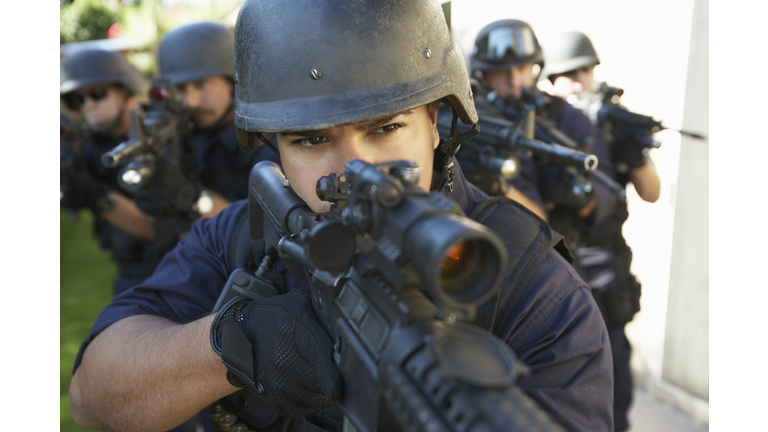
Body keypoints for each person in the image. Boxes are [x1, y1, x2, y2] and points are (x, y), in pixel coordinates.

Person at [69, 2, 614, 432]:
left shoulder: (533, 289)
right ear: (273, 147)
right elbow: (93, 396)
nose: (354, 169)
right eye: (310, 139)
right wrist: (236, 345)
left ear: (435, 120)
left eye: (385, 128)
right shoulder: (243, 237)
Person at [541, 30, 661, 432]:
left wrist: (630, 150)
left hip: (607, 272)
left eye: (585, 71)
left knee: (615, 393)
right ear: (551, 81)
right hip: (555, 272)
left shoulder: (610, 120)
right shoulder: (540, 124)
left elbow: (652, 192)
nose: (579, 80)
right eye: (569, 74)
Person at [131, 22, 280, 254]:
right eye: (180, 89)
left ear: (234, 80)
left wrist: (192, 199)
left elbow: (269, 234)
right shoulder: (190, 134)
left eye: (202, 85)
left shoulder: (269, 140)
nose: (191, 102)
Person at [60, 49, 161, 295]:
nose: (88, 104)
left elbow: (158, 229)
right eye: (78, 99)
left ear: (125, 90)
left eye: (97, 93)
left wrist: (96, 197)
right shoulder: (91, 143)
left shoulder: (158, 136)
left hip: (172, 267)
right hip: (128, 270)